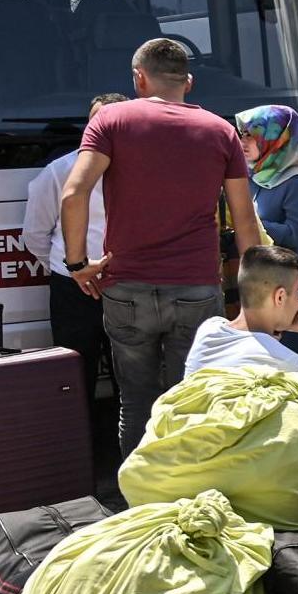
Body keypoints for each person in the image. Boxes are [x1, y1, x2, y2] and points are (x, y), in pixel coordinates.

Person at [60, 39, 258, 452]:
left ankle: (136, 496)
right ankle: (184, 487)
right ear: (188, 81)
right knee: (190, 397)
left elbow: (73, 194)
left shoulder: (111, 120)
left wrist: (78, 263)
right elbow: (243, 218)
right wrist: (253, 293)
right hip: (196, 286)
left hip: (126, 285)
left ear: (139, 77)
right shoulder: (221, 130)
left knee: (135, 399)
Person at [24, 94, 127, 428]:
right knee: (73, 377)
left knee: (130, 379)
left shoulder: (144, 170)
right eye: (99, 122)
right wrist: (71, 269)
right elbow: (36, 234)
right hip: (73, 290)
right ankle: (78, 457)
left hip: (127, 285)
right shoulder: (59, 171)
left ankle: (127, 454)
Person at [231, 105, 298, 367]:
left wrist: (253, 223)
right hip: (259, 280)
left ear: (275, 139)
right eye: (242, 134)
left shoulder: (297, 182)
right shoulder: (255, 174)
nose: (242, 142)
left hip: (287, 282)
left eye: (251, 135)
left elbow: (296, 234)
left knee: (292, 351)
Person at [181, 246, 298, 377]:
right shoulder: (288, 364)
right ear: (280, 297)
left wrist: (282, 325)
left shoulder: (207, 331)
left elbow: (245, 337)